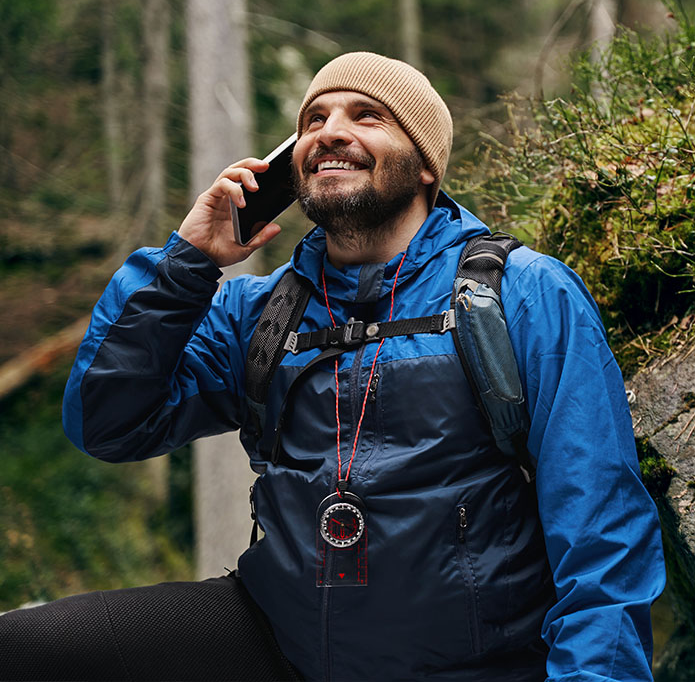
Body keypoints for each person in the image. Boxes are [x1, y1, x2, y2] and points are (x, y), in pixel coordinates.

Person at [1, 52, 665, 681]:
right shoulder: (257, 309)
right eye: (313, 121)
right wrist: (187, 263)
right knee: (29, 651)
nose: (329, 132)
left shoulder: (520, 292)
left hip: (470, 661)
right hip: (280, 639)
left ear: (426, 165)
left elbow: (599, 526)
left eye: (366, 116)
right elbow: (107, 423)